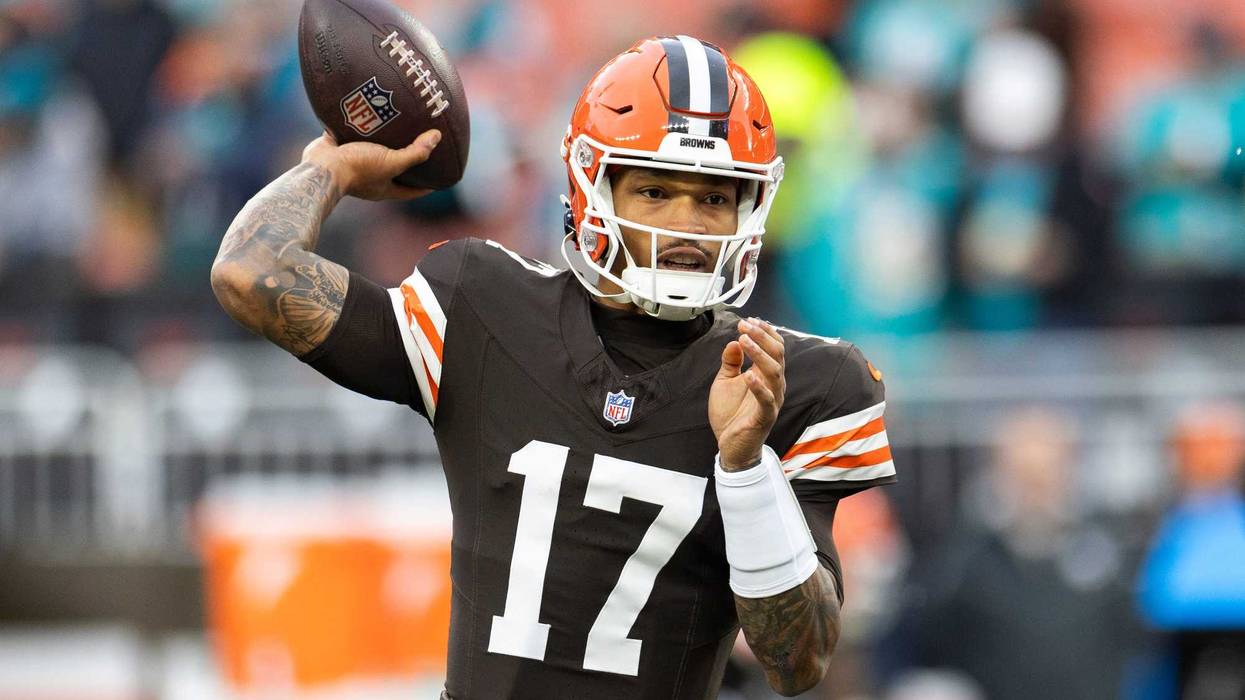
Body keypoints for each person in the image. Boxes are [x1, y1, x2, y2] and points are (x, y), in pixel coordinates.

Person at [210, 35, 896, 700]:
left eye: (714, 198)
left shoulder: (792, 383)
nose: (687, 224)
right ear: (593, 189)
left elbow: (798, 662)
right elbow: (249, 273)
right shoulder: (483, 307)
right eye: (655, 191)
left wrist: (745, 469)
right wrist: (329, 169)